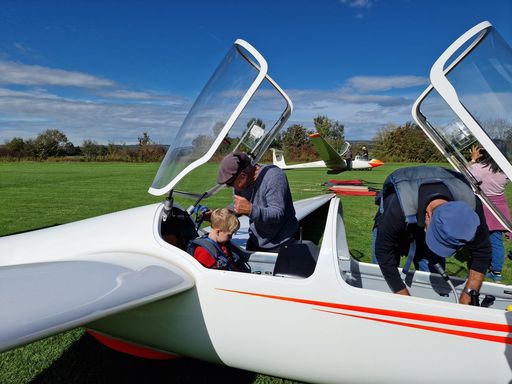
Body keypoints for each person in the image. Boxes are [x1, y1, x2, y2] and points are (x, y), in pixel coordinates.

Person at [372, 166, 491, 305]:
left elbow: (482, 253)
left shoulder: (471, 209)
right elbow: (383, 252)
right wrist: (403, 298)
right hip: (396, 228)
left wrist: (469, 294)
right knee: (381, 287)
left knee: (435, 286)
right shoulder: (397, 209)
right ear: (428, 217)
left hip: (422, 227)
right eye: (437, 239)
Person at [215, 151, 299, 253]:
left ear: (243, 175)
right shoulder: (240, 182)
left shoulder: (274, 177)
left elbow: (277, 213)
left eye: (230, 183)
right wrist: (217, 215)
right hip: (256, 240)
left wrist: (250, 210)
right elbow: (238, 206)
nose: (228, 186)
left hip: (282, 240)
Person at [469, 142, 511, 283]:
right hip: (499, 207)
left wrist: (473, 159)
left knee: (478, 240)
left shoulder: (479, 168)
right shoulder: (506, 169)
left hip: (483, 204)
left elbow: (462, 175)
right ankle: (496, 272)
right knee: (496, 240)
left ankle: (476, 269)